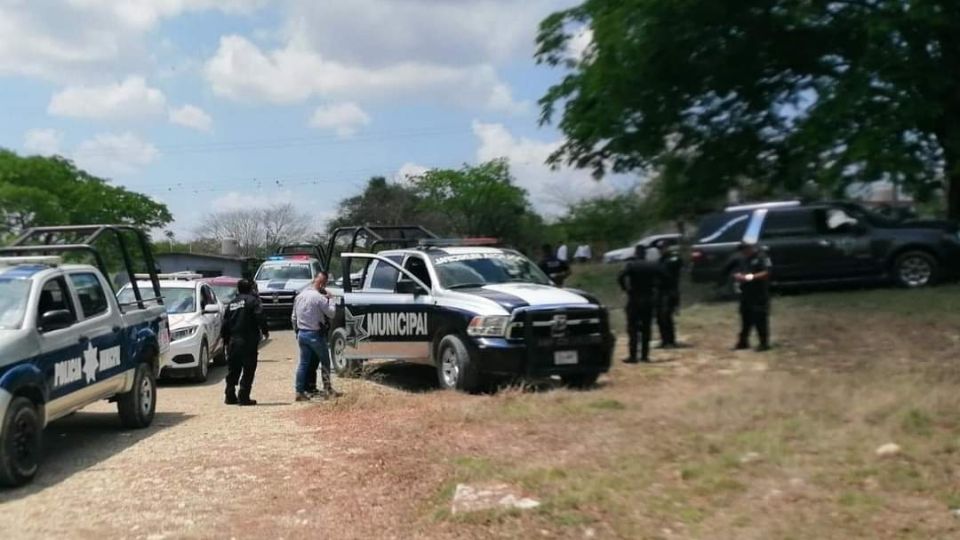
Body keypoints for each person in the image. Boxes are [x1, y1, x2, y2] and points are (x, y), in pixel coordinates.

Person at [292, 272, 340, 401]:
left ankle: (299, 391)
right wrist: (331, 299)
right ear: (322, 283)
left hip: (302, 333)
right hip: (315, 334)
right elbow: (331, 314)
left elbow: (293, 317)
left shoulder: (299, 296)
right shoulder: (319, 298)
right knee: (325, 362)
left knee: (303, 364)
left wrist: (297, 332)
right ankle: (327, 389)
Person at [222, 279, 269, 406]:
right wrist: (265, 331)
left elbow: (225, 323)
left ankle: (230, 395)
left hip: (233, 341)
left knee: (233, 369)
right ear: (251, 289)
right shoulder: (253, 301)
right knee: (248, 369)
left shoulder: (231, 303)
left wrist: (225, 340)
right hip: (248, 340)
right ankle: (243, 396)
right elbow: (260, 317)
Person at [618, 245, 661, 363]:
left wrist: (625, 289)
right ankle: (644, 355)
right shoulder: (652, 265)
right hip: (648, 297)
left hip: (634, 298)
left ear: (636, 253)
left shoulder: (631, 265)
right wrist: (656, 288)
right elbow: (663, 276)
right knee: (646, 328)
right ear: (645, 254)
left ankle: (633, 355)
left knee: (633, 328)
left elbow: (621, 277)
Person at [733, 241, 772, 351]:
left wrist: (749, 277)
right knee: (745, 318)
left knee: (760, 318)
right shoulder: (744, 259)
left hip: (758, 293)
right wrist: (738, 276)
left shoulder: (761, 257)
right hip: (746, 292)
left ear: (750, 248)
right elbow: (740, 271)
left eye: (745, 250)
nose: (743, 252)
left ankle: (764, 343)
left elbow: (766, 273)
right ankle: (743, 341)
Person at [655, 240, 683, 348]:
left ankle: (670, 340)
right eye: (660, 249)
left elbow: (676, 265)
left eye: (663, 248)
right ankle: (664, 340)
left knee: (666, 315)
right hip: (661, 291)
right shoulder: (660, 260)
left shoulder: (673, 258)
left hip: (670, 290)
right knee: (659, 316)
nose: (661, 250)